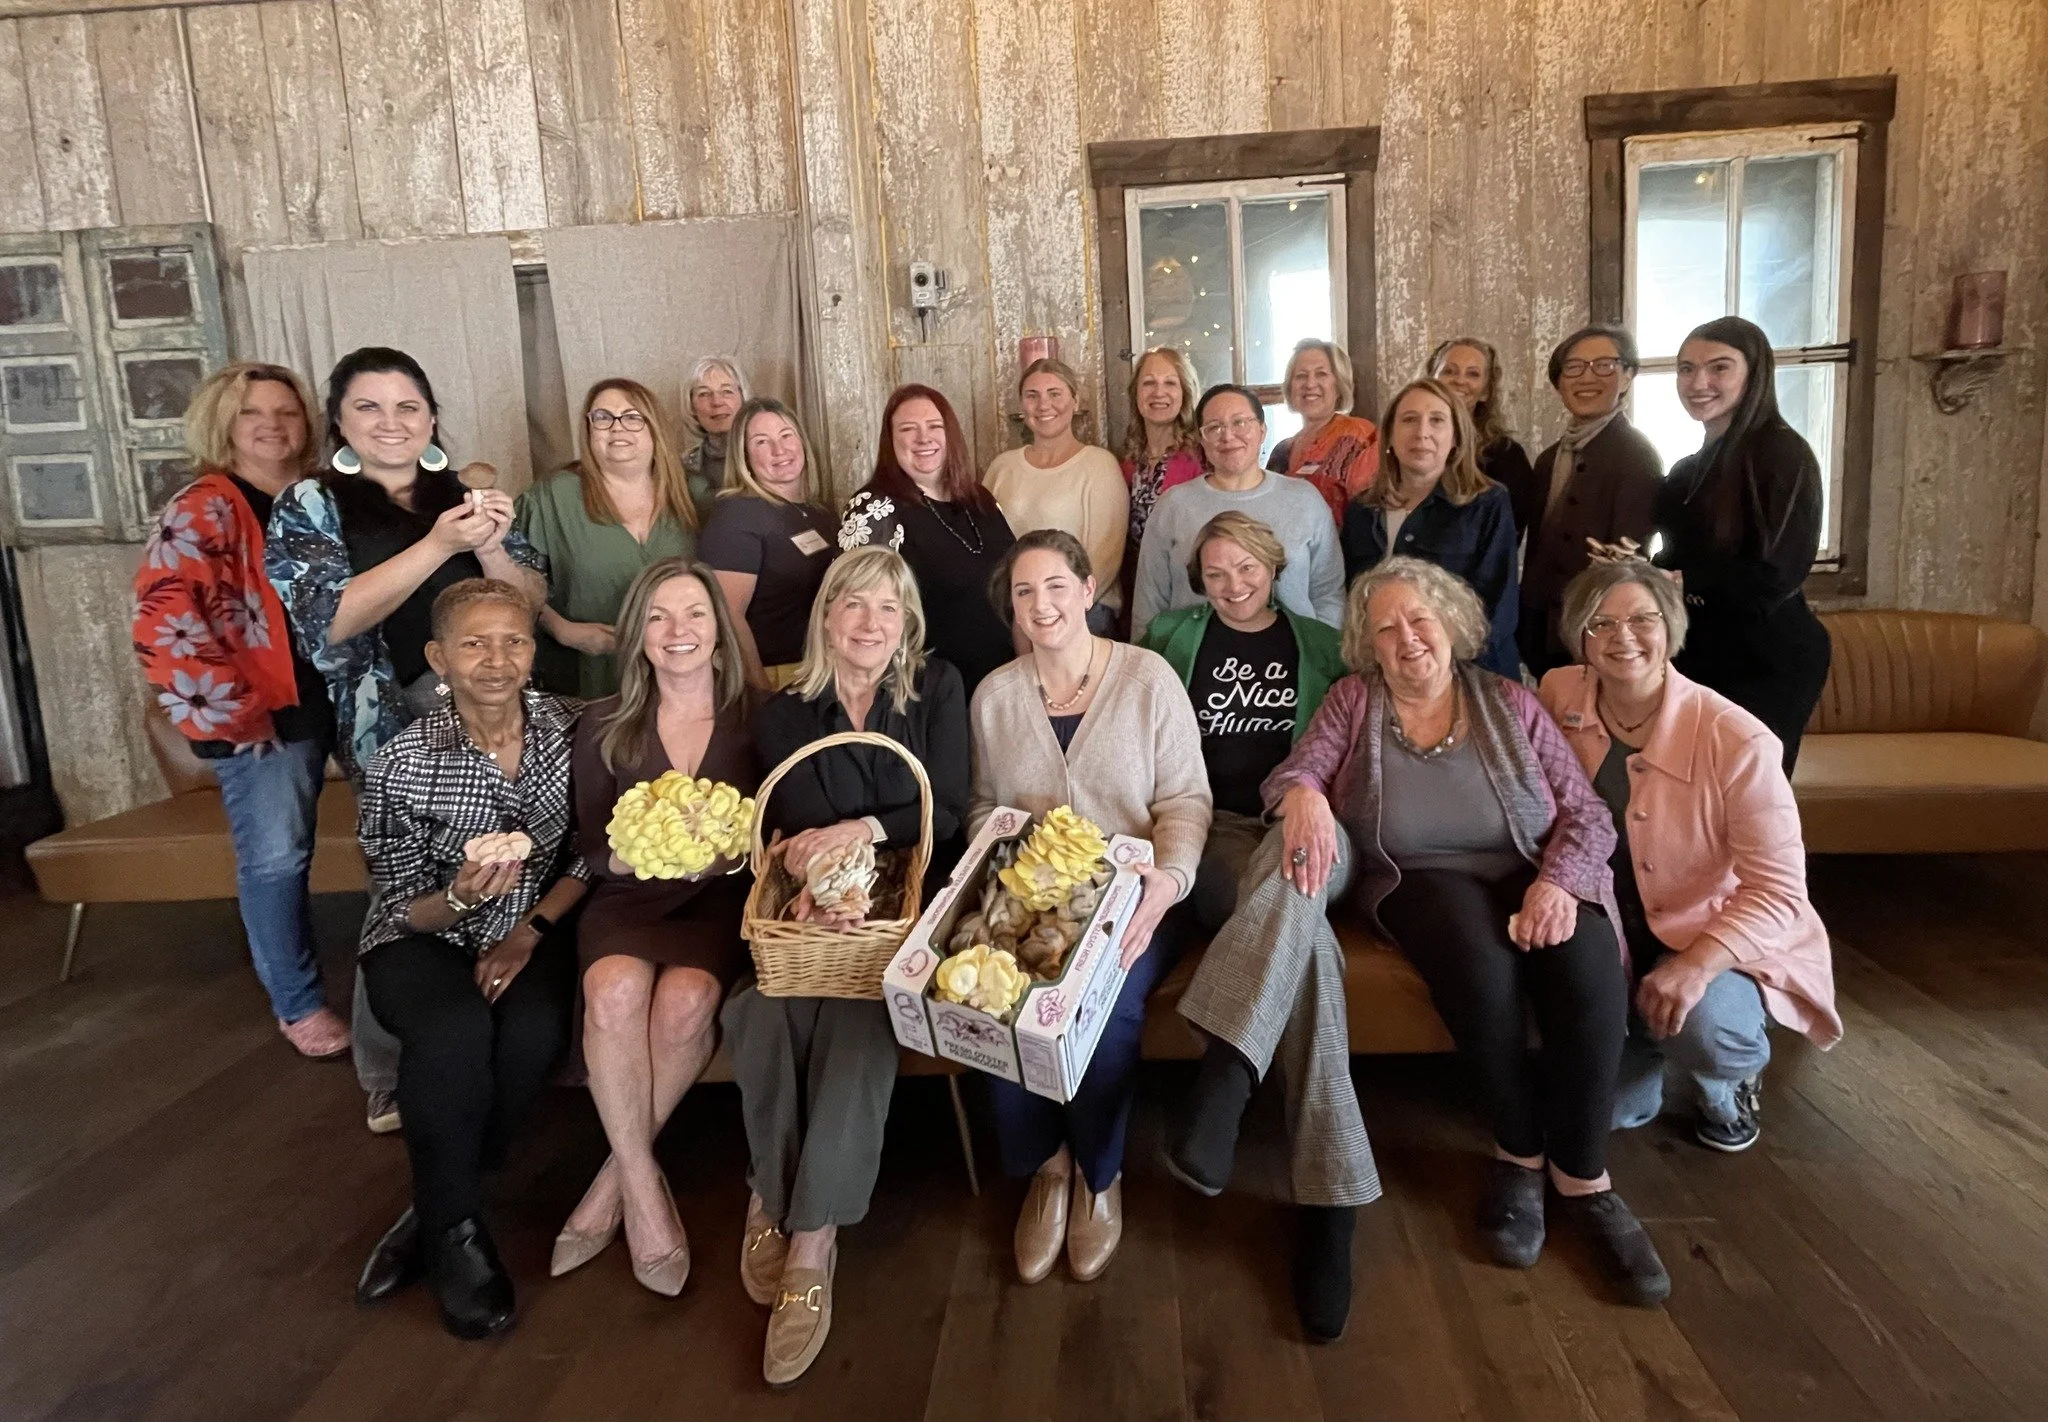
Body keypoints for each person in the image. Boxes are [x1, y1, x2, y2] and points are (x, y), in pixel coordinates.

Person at [1170, 558, 1670, 1333]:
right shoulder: (1353, 701)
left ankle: (1585, 1177)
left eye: (1420, 621)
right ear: (1368, 645)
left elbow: (1586, 814)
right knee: (1475, 964)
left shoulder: (1508, 700)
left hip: (1532, 868)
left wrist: (1560, 884)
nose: (1407, 640)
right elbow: (1296, 770)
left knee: (1587, 963)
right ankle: (1518, 1153)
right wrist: (1303, 793)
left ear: (1452, 625)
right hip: (1418, 876)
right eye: (1386, 628)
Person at [267, 346, 545, 1134]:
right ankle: (387, 1067)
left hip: (495, 711)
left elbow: (524, 600)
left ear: (431, 420)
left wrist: (488, 540)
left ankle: (495, 1037)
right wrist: (438, 546)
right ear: (341, 422)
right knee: (405, 886)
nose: (391, 422)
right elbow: (328, 621)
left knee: (503, 860)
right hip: (388, 725)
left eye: (408, 408)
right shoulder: (312, 504)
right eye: (370, 408)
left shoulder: (466, 496)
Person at [727, 546, 971, 1385]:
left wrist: (862, 833)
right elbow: (799, 819)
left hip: (907, 906)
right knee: (758, 1009)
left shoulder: (937, 687)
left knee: (865, 1021)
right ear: (827, 614)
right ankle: (769, 1187)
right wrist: (828, 872)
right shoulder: (784, 711)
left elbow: (947, 800)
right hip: (811, 911)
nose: (870, 624)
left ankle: (813, 1237)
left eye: (888, 610)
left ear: (907, 623)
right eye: (854, 606)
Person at [351, 580, 588, 1341]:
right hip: (424, 937)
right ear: (438, 658)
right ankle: (455, 1235)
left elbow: (592, 854)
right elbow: (396, 902)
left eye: (513, 641)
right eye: (474, 643)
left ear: (533, 650)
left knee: (529, 1035)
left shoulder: (570, 730)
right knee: (452, 1036)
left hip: (531, 931)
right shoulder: (400, 764)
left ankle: (433, 1203)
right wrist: (457, 899)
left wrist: (527, 932)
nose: (496, 659)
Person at [972, 531, 1211, 1288]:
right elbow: (983, 807)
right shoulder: (995, 696)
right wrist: (1010, 857)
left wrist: (1168, 881)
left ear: (1086, 589)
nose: (1041, 605)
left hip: (1136, 897)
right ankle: (1048, 1166)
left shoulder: (1147, 679)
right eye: (1023, 593)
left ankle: (1101, 1177)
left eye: (1054, 587)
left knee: (1104, 1016)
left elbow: (1183, 800)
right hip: (1032, 899)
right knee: (996, 1006)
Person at [1540, 560, 1841, 1151]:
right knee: (1609, 1115)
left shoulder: (1739, 739)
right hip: (1612, 925)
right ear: (1580, 636)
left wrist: (1696, 963)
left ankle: (1728, 1078)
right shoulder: (1559, 692)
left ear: (1670, 625)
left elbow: (1780, 891)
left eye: (1642, 619)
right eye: (1600, 624)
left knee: (1709, 1028)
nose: (1622, 638)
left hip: (1705, 929)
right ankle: (1645, 1036)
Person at [551, 559, 762, 1298]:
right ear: (639, 634)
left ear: (718, 632)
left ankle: (610, 1182)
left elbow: (779, 831)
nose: (679, 632)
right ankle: (642, 1192)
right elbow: (589, 844)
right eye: (661, 618)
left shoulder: (754, 716)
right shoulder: (605, 721)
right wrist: (640, 849)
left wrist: (728, 850)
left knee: (684, 1004)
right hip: (628, 900)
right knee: (611, 990)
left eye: (696, 616)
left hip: (717, 905)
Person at [133, 361, 347, 1058]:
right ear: (225, 422)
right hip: (262, 717)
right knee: (279, 859)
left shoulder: (320, 497)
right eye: (255, 413)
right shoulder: (206, 506)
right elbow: (163, 620)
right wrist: (231, 715)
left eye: (286, 412)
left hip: (336, 696)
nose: (273, 425)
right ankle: (298, 1004)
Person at [1140, 511, 1346, 931]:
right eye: (1215, 575)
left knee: (1292, 889)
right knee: (1258, 902)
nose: (1234, 586)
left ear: (1272, 566)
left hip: (1299, 814)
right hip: (1215, 823)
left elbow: (1352, 740)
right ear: (1200, 581)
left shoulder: (1325, 646)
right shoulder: (1166, 637)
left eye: (1247, 567)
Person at [1655, 316, 1831, 772]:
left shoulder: (1783, 455)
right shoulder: (1688, 468)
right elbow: (1674, 554)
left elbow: (1775, 576)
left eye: (1719, 368)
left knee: (1749, 799)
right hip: (1698, 651)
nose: (1699, 382)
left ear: (1754, 374)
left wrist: (1680, 581)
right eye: (1686, 369)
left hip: (1765, 657)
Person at [516, 377, 698, 699]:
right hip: (589, 679)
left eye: (632, 417)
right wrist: (561, 629)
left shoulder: (697, 494)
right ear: (588, 430)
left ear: (654, 428)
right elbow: (510, 582)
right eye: (602, 417)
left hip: (682, 678)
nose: (617, 428)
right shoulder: (554, 496)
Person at [838, 384, 1017, 694]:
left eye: (935, 426)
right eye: (909, 429)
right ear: (890, 441)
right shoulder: (874, 508)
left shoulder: (981, 499)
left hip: (1005, 681)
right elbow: (857, 612)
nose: (924, 439)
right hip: (929, 690)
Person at [1131, 384, 1344, 640]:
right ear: (1202, 439)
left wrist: (1325, 660)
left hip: (1295, 662)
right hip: (1192, 664)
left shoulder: (1305, 499)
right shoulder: (1174, 505)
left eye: (1240, 423)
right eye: (1214, 427)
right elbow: (1149, 600)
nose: (1228, 436)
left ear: (1262, 430)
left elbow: (1329, 593)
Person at [1342, 379, 1518, 677]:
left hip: (1471, 673)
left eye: (1436, 420)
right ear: (1390, 437)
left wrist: (1442, 675)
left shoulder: (1487, 503)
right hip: (1385, 672)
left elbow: (1498, 610)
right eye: (1409, 420)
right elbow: (1352, 604)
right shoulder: (1363, 511)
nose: (1422, 433)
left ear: (1456, 438)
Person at [1517, 327, 1663, 677]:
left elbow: (1627, 560)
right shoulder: (1550, 458)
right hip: (1543, 634)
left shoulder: (1637, 457)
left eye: (1604, 366)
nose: (1587, 377)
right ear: (1558, 382)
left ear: (1627, 376)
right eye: (1574, 367)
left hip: (1596, 638)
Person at [699, 397, 841, 691]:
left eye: (786, 435)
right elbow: (728, 614)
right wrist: (761, 694)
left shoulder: (821, 513)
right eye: (762, 442)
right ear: (744, 456)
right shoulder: (738, 514)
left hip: (823, 672)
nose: (780, 450)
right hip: (775, 676)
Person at [984, 358, 1128, 631]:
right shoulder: (1002, 467)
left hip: (1083, 615)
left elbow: (1106, 557)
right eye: (1032, 395)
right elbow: (985, 545)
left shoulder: (1099, 465)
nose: (1043, 405)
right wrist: (1016, 613)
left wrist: (1056, 613)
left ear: (1074, 401)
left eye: (1055, 394)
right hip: (1012, 615)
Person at [1116, 347, 1205, 629]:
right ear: (1136, 394)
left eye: (1170, 383)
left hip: (1187, 593)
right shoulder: (1129, 460)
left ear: (1185, 393)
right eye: (1149, 383)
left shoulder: (1202, 456)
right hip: (1136, 589)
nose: (1159, 392)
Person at [1265, 339, 1380, 525]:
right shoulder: (1281, 451)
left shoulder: (1360, 436)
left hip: (1344, 551)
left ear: (1339, 383)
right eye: (1301, 376)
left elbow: (1371, 513)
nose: (1310, 384)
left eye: (1321, 374)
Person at [1427, 337, 1535, 509]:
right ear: (1429, 382)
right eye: (1449, 371)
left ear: (1485, 392)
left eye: (1473, 374)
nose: (1460, 380)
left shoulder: (1507, 456)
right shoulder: (1404, 444)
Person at [680, 356, 746, 521]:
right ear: (691, 405)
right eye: (703, 394)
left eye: (727, 391)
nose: (717, 402)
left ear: (743, 399)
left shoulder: (769, 455)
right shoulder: (685, 466)